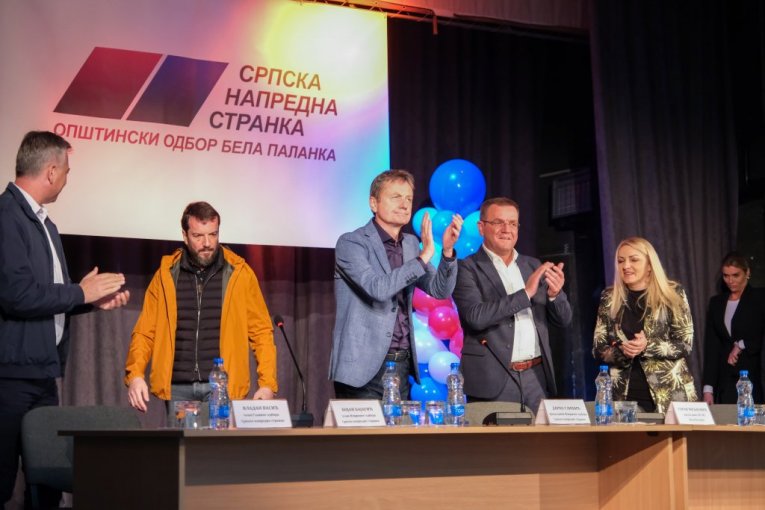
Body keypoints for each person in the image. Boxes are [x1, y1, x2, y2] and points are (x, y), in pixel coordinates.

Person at [0, 131, 130, 507]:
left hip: (42, 375)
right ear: (52, 171)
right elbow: (17, 295)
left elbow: (49, 297)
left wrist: (91, 301)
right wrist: (80, 293)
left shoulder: (45, 225)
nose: (68, 179)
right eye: (68, 171)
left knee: (47, 485)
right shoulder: (7, 217)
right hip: (10, 378)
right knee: (2, 482)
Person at [125, 201, 277, 420]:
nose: (207, 243)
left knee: (220, 442)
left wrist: (267, 384)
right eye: (198, 236)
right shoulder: (167, 275)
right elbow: (145, 332)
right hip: (179, 388)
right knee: (184, 443)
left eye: (213, 234)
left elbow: (261, 332)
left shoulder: (240, 274)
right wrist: (135, 374)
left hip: (221, 387)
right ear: (185, 236)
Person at [330, 169, 462, 399]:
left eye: (409, 198)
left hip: (401, 365)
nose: (404, 204)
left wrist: (448, 252)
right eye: (396, 197)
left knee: (397, 425)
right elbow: (377, 289)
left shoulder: (410, 244)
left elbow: (440, 290)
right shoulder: (351, 243)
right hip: (362, 369)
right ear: (374, 203)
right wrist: (424, 256)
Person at [453, 197, 572, 414]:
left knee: (538, 436)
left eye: (513, 223)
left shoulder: (532, 265)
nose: (507, 229)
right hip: (492, 379)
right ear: (481, 227)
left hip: (536, 377)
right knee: (495, 437)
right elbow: (475, 317)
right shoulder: (467, 268)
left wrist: (555, 295)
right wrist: (525, 294)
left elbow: (564, 319)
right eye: (498, 222)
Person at [593, 236, 696, 413]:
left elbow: (685, 344)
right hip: (623, 397)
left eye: (634, 260)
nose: (626, 266)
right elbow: (598, 349)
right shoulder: (609, 297)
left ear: (649, 265)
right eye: (621, 261)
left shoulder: (672, 293)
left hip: (670, 396)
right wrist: (622, 351)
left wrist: (647, 346)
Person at [702, 252, 765, 404]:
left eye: (735, 275)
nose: (730, 281)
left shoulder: (760, 298)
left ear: (747, 273)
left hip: (755, 379)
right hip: (726, 381)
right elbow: (712, 348)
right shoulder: (716, 303)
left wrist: (741, 345)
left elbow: (759, 335)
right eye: (726, 276)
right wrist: (708, 389)